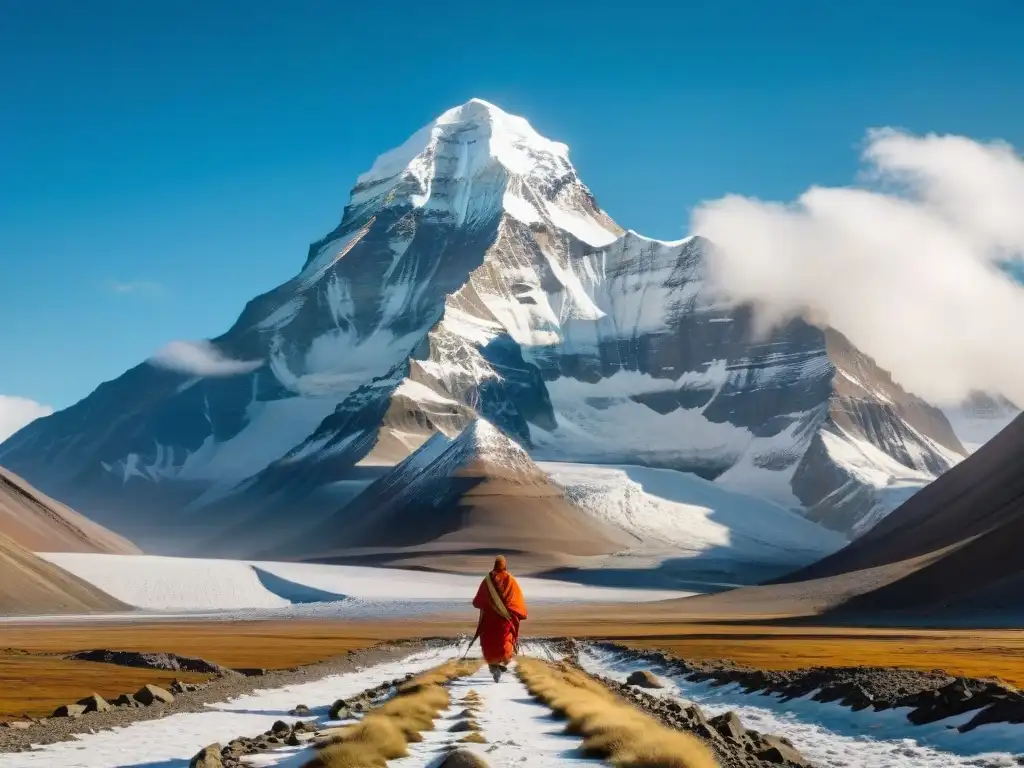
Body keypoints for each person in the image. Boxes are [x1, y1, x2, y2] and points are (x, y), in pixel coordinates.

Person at [471, 555, 528, 681]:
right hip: (505, 620)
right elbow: (517, 600)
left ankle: (494, 666)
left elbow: (478, 600)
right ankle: (500, 664)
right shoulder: (511, 580)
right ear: (505, 565)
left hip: (490, 619)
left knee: (489, 642)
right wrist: (518, 613)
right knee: (504, 642)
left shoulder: (487, 580)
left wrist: (488, 604)